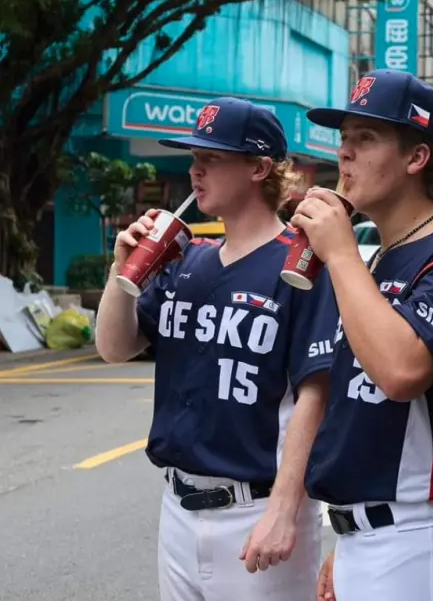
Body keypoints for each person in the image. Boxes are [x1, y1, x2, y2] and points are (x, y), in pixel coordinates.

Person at [94, 97, 337, 601]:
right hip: (178, 506)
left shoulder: (300, 267)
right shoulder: (186, 262)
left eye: (213, 158)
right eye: (193, 156)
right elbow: (115, 348)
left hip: (257, 511)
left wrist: (285, 510)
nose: (195, 169)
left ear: (259, 168)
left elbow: (315, 394)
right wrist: (121, 268)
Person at [291, 69, 433, 601]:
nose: (345, 155)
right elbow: (358, 414)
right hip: (374, 535)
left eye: (365, 139)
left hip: (424, 537)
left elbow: (401, 372)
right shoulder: (376, 258)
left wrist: (339, 252)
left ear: (416, 158)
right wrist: (350, 537)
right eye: (343, 139)